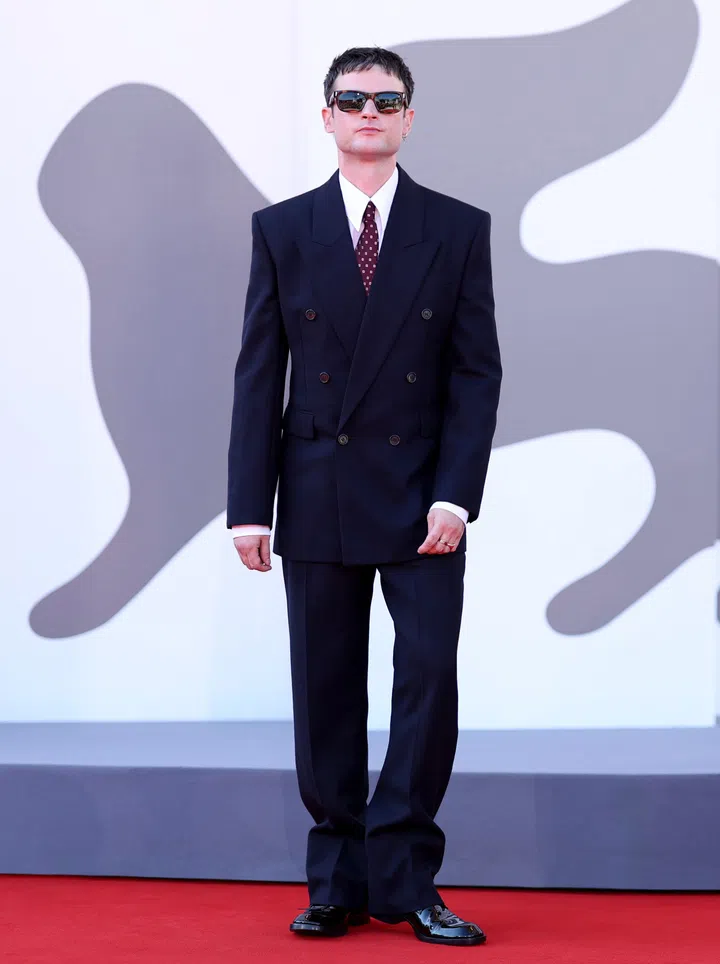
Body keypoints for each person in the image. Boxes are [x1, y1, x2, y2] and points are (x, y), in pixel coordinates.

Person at [227, 46, 501, 947]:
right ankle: (337, 880)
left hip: (425, 497)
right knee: (326, 688)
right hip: (317, 491)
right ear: (329, 117)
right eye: (353, 99)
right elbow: (258, 375)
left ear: (410, 117)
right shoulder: (283, 228)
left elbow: (474, 373)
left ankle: (410, 878)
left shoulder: (457, 228)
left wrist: (457, 496)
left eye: (388, 99)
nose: (370, 112)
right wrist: (248, 505)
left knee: (428, 684)